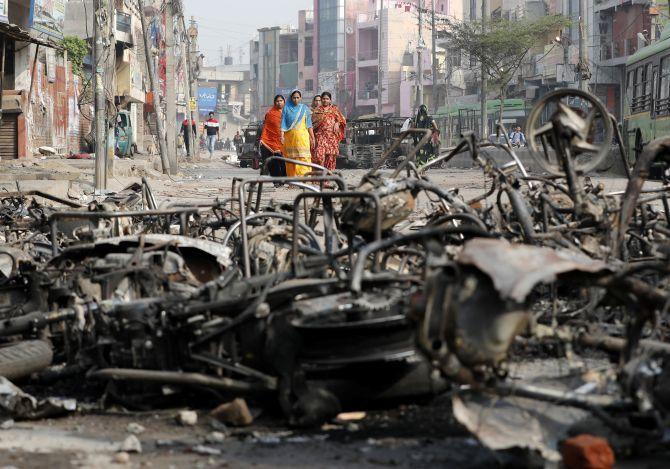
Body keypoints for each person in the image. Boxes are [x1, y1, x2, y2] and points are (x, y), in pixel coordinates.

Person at [281, 89, 315, 177]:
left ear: (300, 98)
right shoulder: (286, 109)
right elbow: (283, 124)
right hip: (290, 138)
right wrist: (281, 136)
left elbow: (309, 125)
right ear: (291, 98)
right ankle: (292, 180)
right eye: (294, 98)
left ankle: (305, 178)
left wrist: (312, 138)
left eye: (297, 97)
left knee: (304, 158)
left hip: (303, 138)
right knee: (291, 159)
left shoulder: (304, 109)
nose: (296, 99)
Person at [313, 91, 346, 171]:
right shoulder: (317, 111)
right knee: (319, 156)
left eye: (327, 99)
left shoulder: (334, 110)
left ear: (330, 100)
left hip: (332, 138)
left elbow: (343, 120)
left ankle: (326, 180)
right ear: (321, 100)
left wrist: (338, 123)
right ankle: (319, 176)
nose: (325, 100)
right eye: (323, 99)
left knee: (330, 159)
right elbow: (313, 124)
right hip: (321, 137)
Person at [260, 94, 287, 178]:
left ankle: (285, 178)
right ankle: (276, 180)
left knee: (284, 162)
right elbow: (266, 127)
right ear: (275, 103)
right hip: (271, 141)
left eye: (281, 101)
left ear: (284, 101)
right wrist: (262, 139)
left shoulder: (288, 112)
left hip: (286, 140)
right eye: (277, 101)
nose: (279, 103)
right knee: (274, 162)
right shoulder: (270, 113)